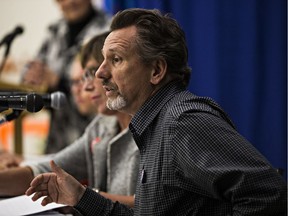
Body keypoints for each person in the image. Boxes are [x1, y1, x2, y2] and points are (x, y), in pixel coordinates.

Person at [26, 8, 287, 216]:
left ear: (156, 71)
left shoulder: (182, 123)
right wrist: (82, 198)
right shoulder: (153, 125)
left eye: (115, 60)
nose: (99, 73)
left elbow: (269, 194)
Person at [0, 32, 139, 208]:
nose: (86, 87)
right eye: (85, 76)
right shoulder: (102, 125)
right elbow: (49, 170)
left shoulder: (158, 127)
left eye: (92, 74)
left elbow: (152, 207)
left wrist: (83, 197)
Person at [22, 0, 111, 153]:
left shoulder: (109, 29)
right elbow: (33, 70)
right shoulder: (55, 30)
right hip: (58, 139)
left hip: (96, 137)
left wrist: (58, 81)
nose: (69, 2)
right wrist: (32, 77)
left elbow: (110, 83)